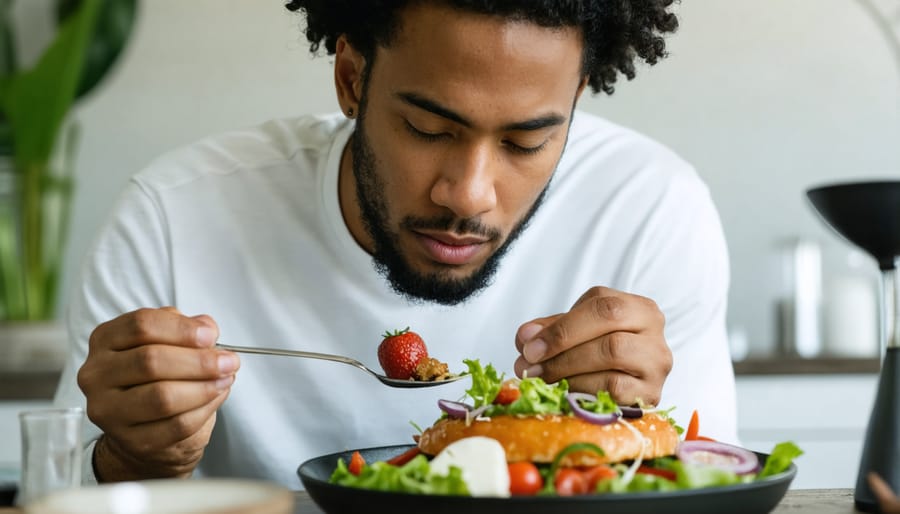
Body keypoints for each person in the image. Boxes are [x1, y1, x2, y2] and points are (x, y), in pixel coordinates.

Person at [54, 0, 738, 487]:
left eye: (526, 142)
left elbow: (710, 478)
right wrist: (134, 460)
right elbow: (57, 495)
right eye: (428, 129)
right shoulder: (174, 215)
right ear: (352, 79)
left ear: (578, 98)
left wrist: (634, 431)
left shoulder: (650, 208)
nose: (469, 194)